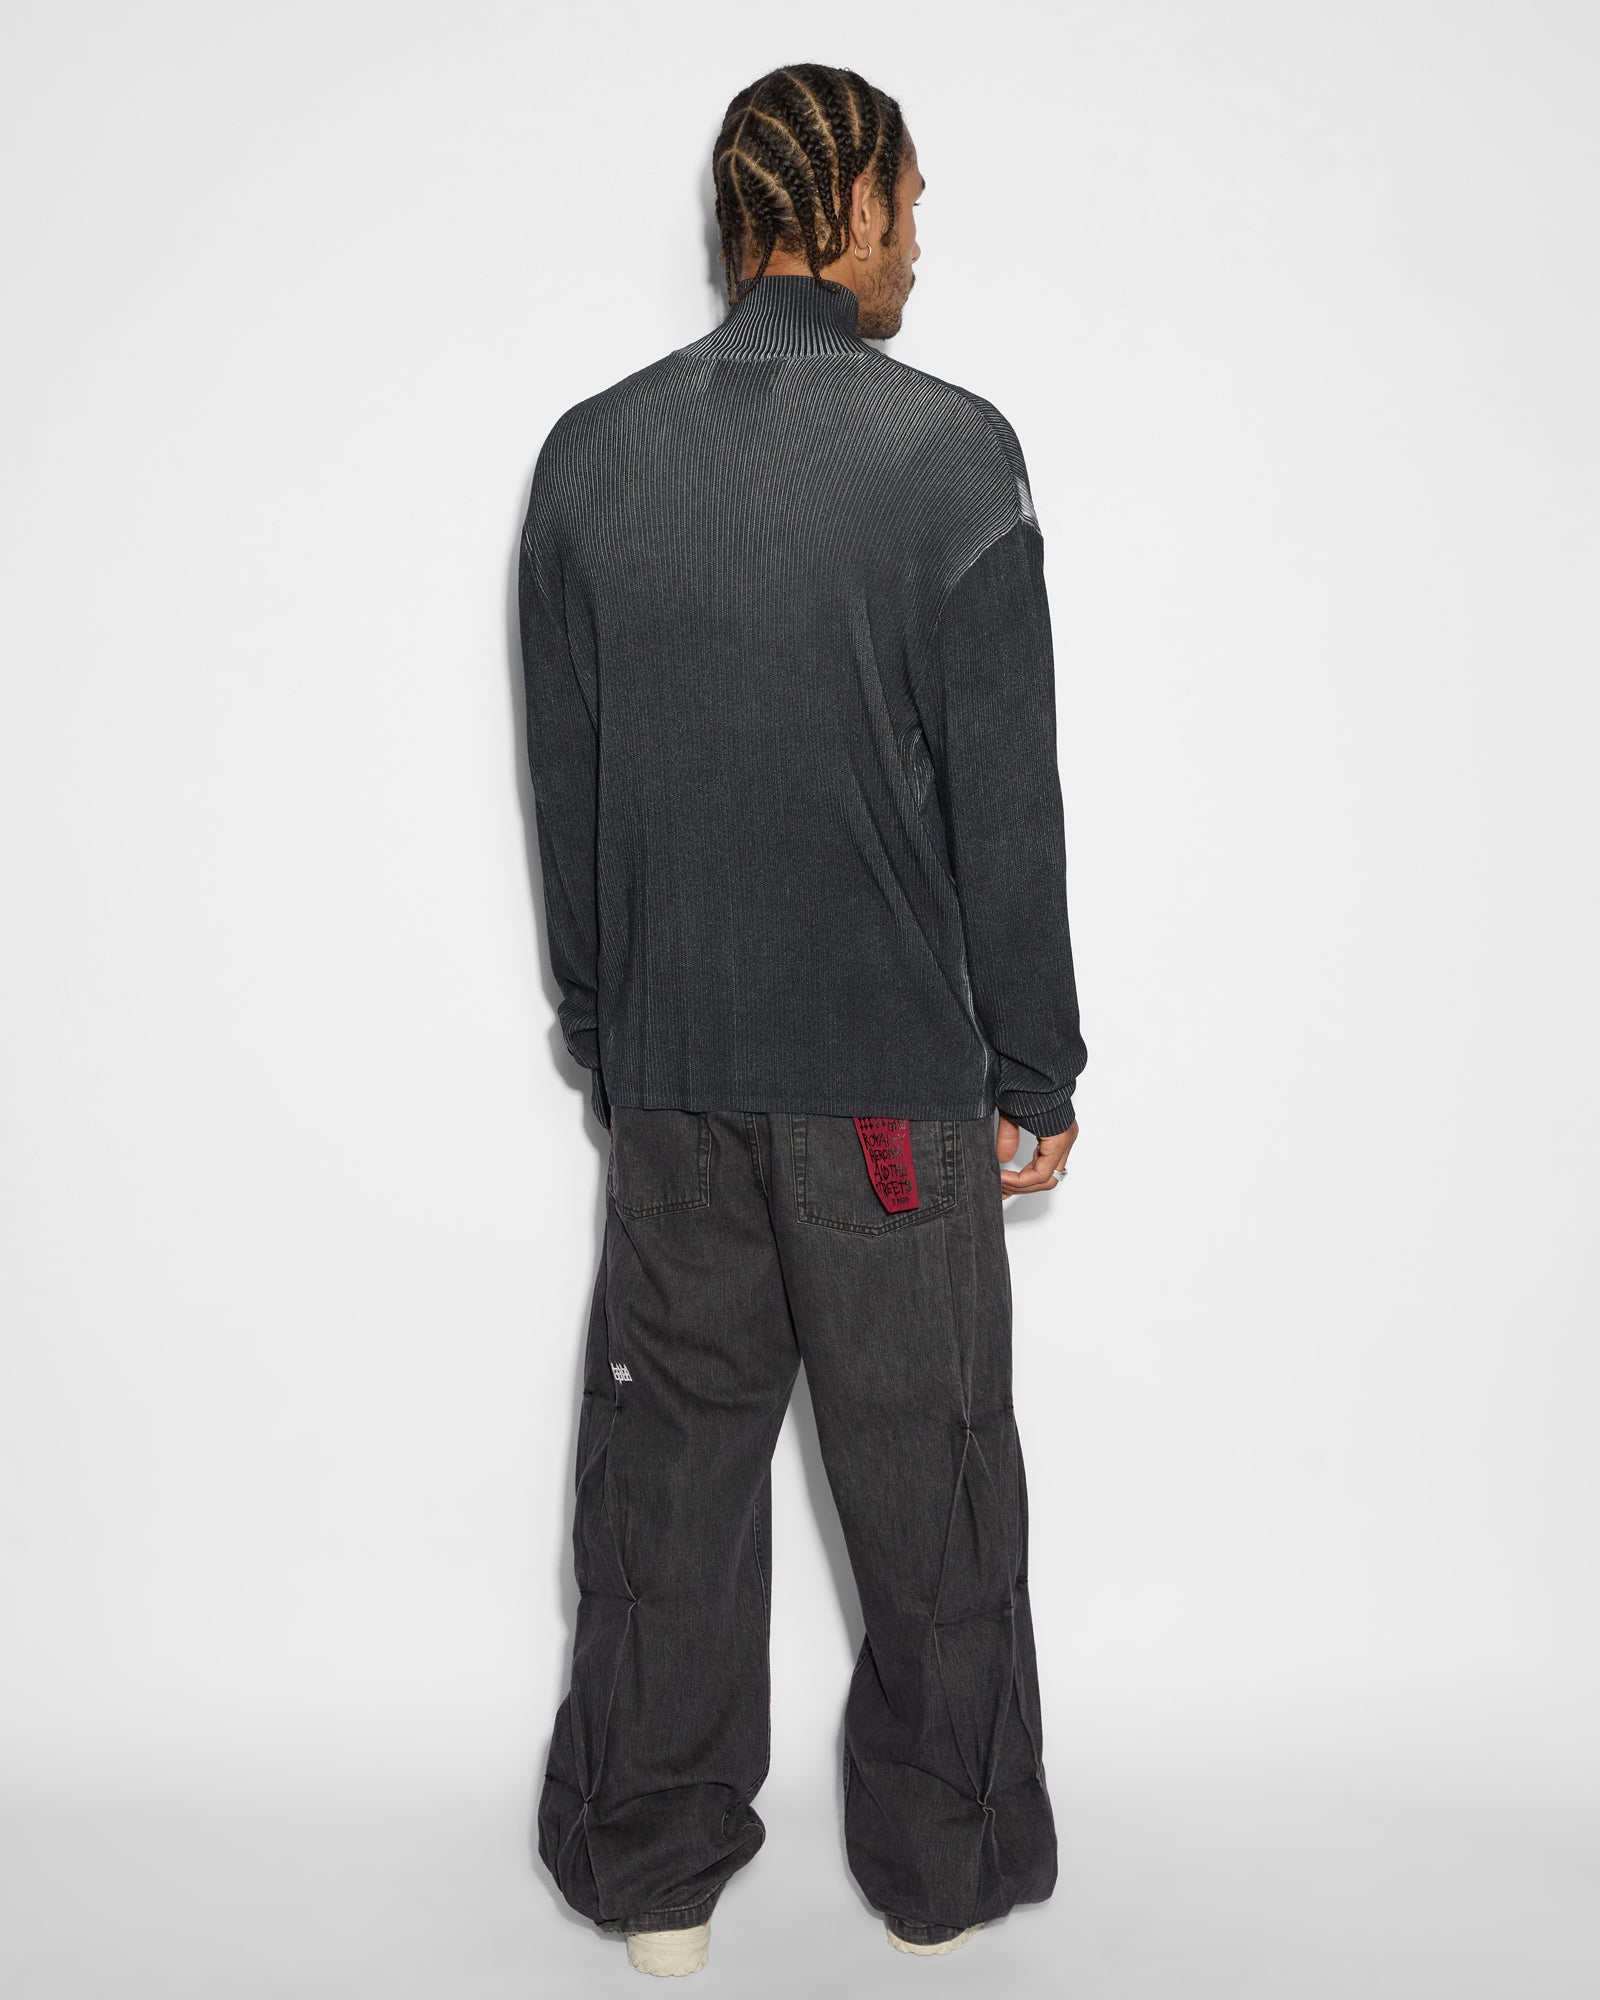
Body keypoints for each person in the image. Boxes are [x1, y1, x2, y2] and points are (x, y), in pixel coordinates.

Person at [518, 62, 1087, 1979]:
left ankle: (656, 1888)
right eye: (911, 201)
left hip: (677, 1083)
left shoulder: (591, 461)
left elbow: (573, 796)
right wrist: (1036, 1064)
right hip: (890, 1108)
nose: (923, 239)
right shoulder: (949, 456)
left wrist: (610, 1038)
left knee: (666, 1493)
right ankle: (943, 1886)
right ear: (844, 208)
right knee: (934, 1490)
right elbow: (1009, 805)